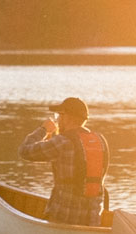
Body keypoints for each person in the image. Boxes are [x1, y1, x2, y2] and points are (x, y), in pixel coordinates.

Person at [18, 96, 110, 226]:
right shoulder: (100, 141)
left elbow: (24, 151)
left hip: (63, 219)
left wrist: (43, 130)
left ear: (66, 117)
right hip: (92, 221)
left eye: (58, 115)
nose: (58, 119)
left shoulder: (62, 141)